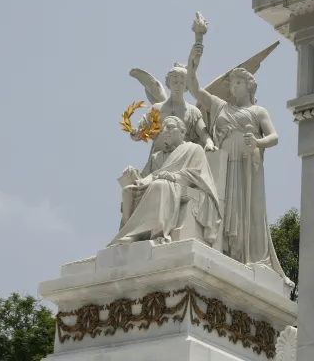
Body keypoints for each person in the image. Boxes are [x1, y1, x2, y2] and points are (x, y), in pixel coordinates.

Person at [185, 43, 287, 278]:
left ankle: (246, 255)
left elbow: (274, 137)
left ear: (249, 85)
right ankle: (226, 249)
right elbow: (194, 88)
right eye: (232, 83)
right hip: (224, 164)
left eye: (238, 82)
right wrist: (196, 50)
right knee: (224, 204)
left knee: (247, 207)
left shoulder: (259, 111)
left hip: (247, 165)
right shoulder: (221, 106)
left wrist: (258, 143)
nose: (233, 87)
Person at [110, 116, 221, 246]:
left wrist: (174, 177)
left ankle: (153, 233)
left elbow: (197, 174)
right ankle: (128, 234)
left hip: (176, 185)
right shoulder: (156, 157)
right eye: (164, 128)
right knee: (128, 191)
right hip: (156, 185)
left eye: (170, 127)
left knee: (159, 185)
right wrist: (133, 175)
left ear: (182, 132)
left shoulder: (194, 149)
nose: (166, 131)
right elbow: (144, 179)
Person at [130, 64, 217, 176]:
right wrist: (136, 133)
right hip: (159, 158)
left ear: (186, 86)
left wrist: (209, 143)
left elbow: (203, 134)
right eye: (175, 82)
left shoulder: (193, 111)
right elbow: (141, 131)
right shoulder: (157, 109)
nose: (178, 86)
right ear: (169, 83)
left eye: (182, 83)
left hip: (182, 158)